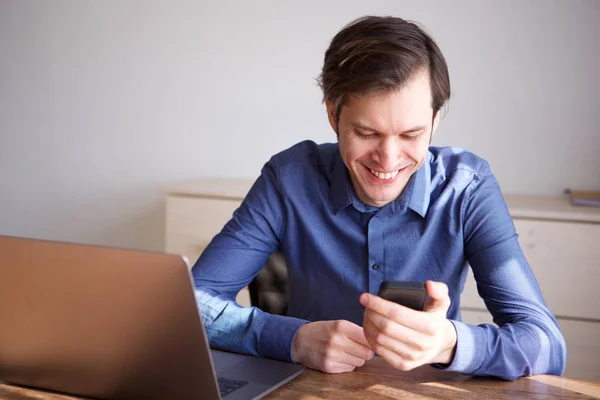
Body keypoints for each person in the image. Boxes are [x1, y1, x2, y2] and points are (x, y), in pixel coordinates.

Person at [192, 15, 566, 380]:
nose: (388, 160)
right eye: (367, 133)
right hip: (307, 388)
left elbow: (547, 344)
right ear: (333, 115)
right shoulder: (289, 179)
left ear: (435, 122)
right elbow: (192, 304)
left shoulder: (467, 188)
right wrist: (293, 339)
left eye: (410, 135)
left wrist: (446, 343)